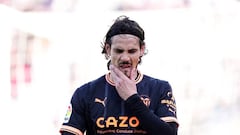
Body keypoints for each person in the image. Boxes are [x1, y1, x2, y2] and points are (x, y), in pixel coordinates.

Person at [59, 15, 179, 135]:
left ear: (142, 50)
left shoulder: (160, 88)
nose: (125, 58)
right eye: (119, 51)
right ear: (108, 49)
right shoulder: (85, 92)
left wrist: (132, 98)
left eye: (132, 51)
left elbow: (169, 133)